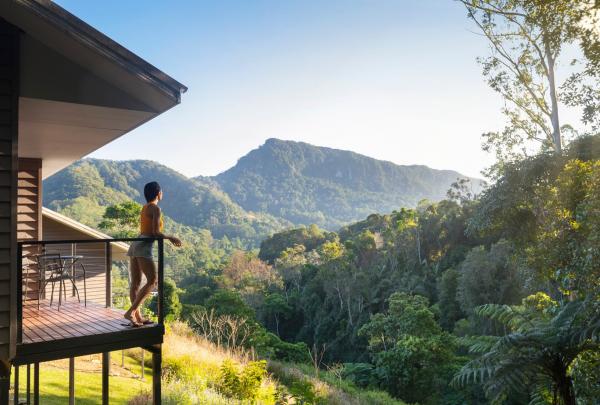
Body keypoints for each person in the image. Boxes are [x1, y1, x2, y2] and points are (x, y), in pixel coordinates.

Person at [124, 181, 181, 327]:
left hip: (136, 243)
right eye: (161, 191)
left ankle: (137, 317)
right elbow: (155, 232)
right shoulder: (155, 208)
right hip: (143, 246)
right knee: (152, 280)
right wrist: (170, 238)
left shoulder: (145, 207)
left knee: (136, 283)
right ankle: (131, 312)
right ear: (158, 193)